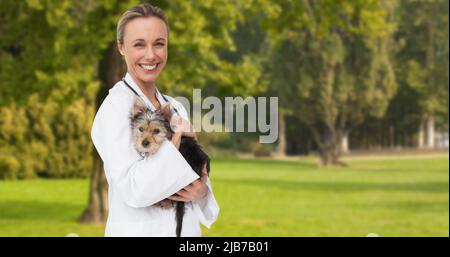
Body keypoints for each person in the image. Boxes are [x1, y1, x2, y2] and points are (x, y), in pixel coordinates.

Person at [90, 3, 219, 236]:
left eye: (159, 43)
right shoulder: (115, 107)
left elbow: (194, 176)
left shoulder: (175, 107)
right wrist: (175, 142)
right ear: (121, 47)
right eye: (139, 44)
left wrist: (202, 192)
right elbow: (134, 189)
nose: (151, 55)